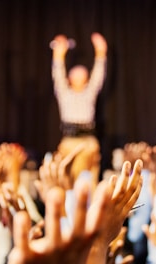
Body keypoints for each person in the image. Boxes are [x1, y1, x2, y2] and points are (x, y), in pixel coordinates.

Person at [51, 32, 107, 191]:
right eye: (75, 74)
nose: (79, 75)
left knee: (89, 184)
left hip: (88, 142)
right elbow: (58, 74)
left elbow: (98, 75)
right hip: (69, 141)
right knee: (68, 181)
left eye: (83, 73)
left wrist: (101, 52)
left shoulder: (89, 93)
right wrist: (58, 54)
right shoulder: (65, 93)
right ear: (70, 79)